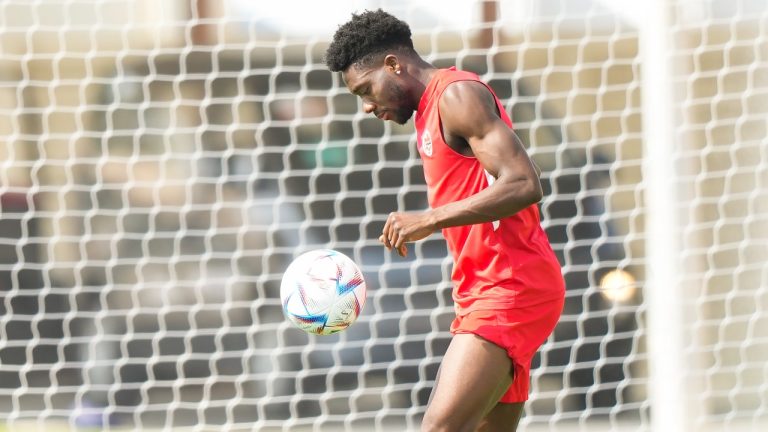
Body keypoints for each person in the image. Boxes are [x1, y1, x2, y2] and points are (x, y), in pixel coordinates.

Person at [325, 9, 565, 432]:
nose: (366, 106)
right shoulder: (426, 114)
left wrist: (431, 219)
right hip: (483, 289)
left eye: (366, 89)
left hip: (510, 286)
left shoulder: (457, 96)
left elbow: (525, 182)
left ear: (394, 65)